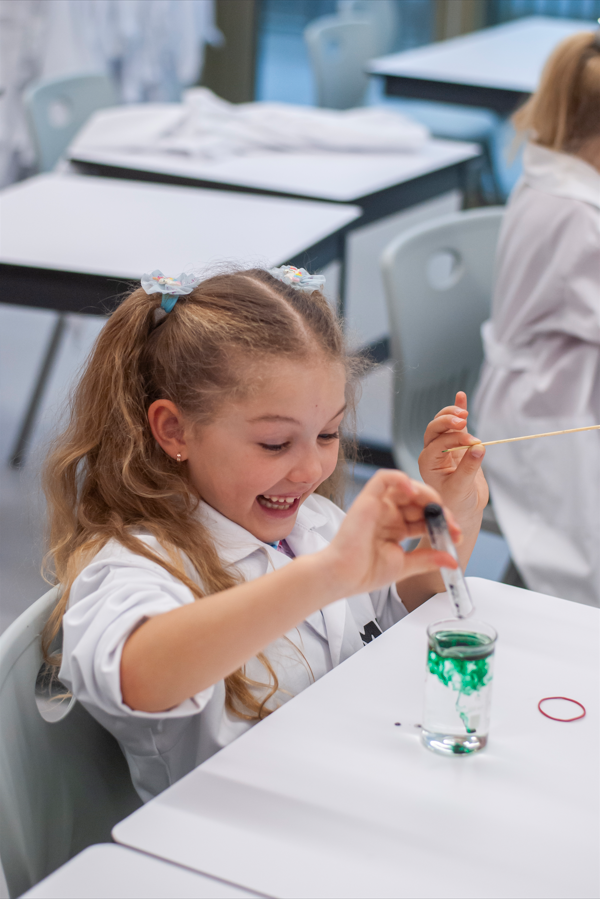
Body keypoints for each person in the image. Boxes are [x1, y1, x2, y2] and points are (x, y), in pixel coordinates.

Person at [42, 265, 487, 802]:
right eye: (275, 443)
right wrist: (326, 576)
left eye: (327, 434)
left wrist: (454, 515)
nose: (311, 470)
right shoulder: (135, 564)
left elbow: (393, 621)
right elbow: (137, 677)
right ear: (174, 430)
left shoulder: (314, 523)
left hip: (351, 789)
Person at [474, 30, 600, 607]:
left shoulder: (549, 171)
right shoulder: (577, 215)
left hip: (555, 378)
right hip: (547, 410)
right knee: (579, 581)